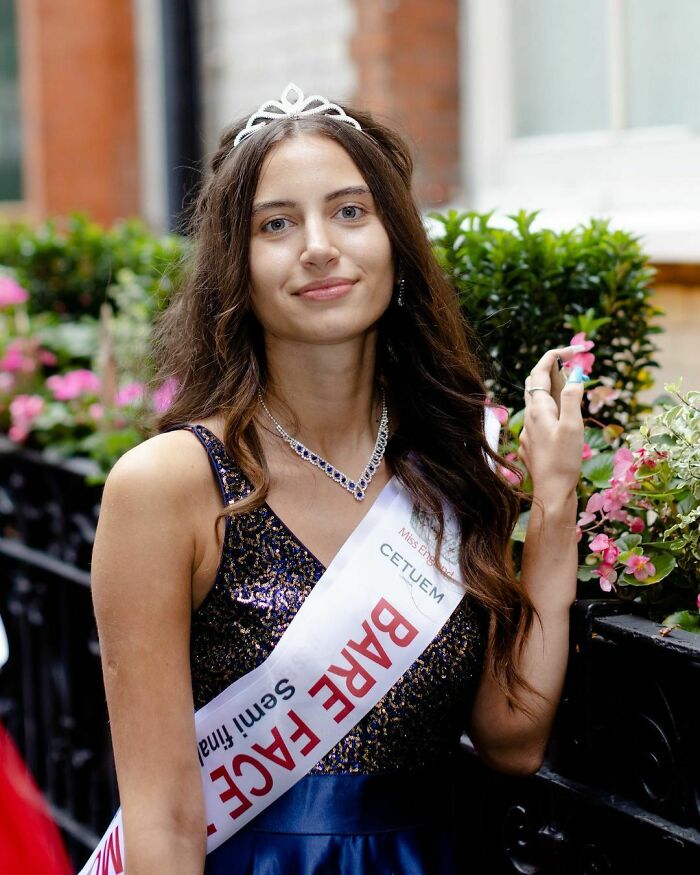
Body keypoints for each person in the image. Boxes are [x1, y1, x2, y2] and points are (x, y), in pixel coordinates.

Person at [90, 83, 586, 874]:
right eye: (276, 223)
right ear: (236, 264)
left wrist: (553, 503)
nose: (318, 246)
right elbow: (165, 821)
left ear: (395, 241)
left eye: (350, 211)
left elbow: (513, 740)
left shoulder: (456, 463)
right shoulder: (170, 486)